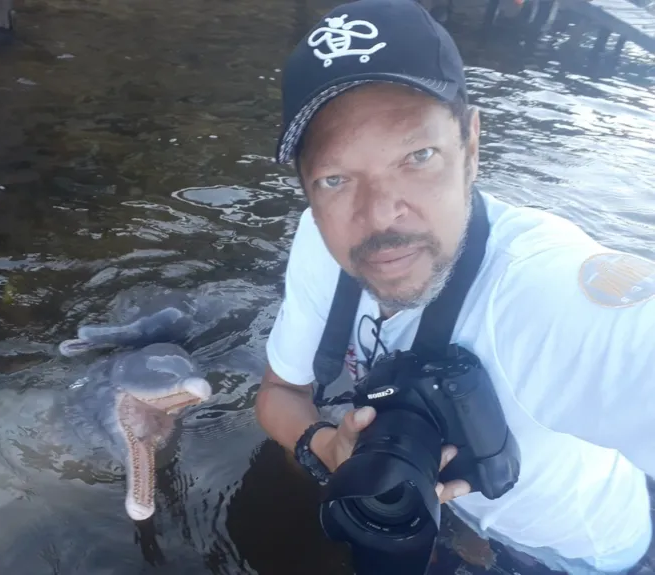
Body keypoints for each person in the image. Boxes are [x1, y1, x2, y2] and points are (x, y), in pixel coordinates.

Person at [253, 0, 654, 573]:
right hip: (447, 518)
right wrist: (327, 449)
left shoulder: (544, 293)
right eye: (336, 178)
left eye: (418, 156)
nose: (382, 216)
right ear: (306, 188)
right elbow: (279, 393)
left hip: (583, 555)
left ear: (471, 144)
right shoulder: (319, 242)